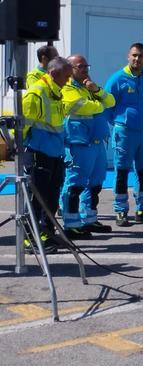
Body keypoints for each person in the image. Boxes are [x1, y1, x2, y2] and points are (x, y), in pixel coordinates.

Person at [104, 43, 143, 226]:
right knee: (121, 171)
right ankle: (120, 211)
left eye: (141, 56)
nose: (137, 59)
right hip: (125, 132)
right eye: (134, 55)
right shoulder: (117, 79)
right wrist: (120, 122)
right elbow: (107, 105)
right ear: (128, 56)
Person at [60, 54, 115, 238]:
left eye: (86, 66)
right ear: (69, 69)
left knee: (95, 184)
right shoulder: (67, 88)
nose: (84, 70)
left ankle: (89, 219)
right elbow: (80, 106)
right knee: (75, 185)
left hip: (97, 142)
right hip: (79, 143)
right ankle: (71, 224)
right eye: (80, 66)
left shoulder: (89, 86)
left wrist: (97, 91)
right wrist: (99, 103)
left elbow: (111, 101)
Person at [22, 57, 73, 253]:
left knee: (52, 196)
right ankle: (30, 237)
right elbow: (22, 127)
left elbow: (59, 124)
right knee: (38, 196)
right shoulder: (36, 93)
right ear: (53, 74)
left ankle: (47, 231)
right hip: (38, 153)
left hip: (55, 152)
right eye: (66, 76)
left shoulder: (56, 92)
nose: (68, 81)